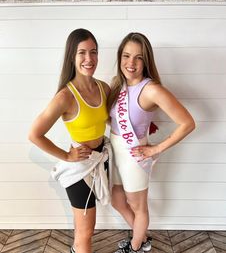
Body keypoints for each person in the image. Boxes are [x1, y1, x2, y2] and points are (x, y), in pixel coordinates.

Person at [108, 32, 195, 253]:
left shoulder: (152, 89)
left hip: (134, 156)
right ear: (119, 58)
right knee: (117, 201)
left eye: (138, 57)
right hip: (115, 150)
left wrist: (155, 148)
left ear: (146, 61)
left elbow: (187, 123)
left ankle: (136, 247)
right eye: (126, 56)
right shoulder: (117, 85)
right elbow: (117, 119)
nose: (131, 63)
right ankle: (142, 238)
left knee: (138, 206)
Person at [28, 28, 112, 253]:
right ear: (72, 57)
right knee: (86, 231)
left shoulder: (103, 88)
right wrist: (67, 156)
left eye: (93, 52)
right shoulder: (65, 96)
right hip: (79, 167)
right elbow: (34, 134)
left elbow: (117, 118)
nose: (89, 59)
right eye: (82, 53)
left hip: (100, 159)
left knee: (86, 228)